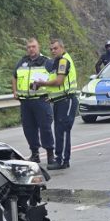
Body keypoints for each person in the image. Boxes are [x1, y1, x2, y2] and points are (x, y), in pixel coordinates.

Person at [13, 37, 54, 167]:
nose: (31, 49)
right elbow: (14, 76)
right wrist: (14, 91)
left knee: (45, 128)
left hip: (41, 100)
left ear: (38, 47)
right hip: (26, 102)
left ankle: (50, 154)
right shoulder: (22, 62)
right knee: (29, 129)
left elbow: (55, 78)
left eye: (33, 46)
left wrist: (52, 95)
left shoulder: (46, 61)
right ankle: (35, 154)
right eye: (29, 47)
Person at [43, 37, 80, 170]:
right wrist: (52, 98)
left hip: (67, 100)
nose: (53, 51)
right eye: (51, 49)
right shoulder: (58, 61)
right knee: (58, 130)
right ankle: (60, 159)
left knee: (63, 130)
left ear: (62, 48)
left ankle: (62, 160)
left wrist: (42, 83)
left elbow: (59, 81)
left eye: (55, 48)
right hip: (60, 100)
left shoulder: (63, 61)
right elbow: (58, 87)